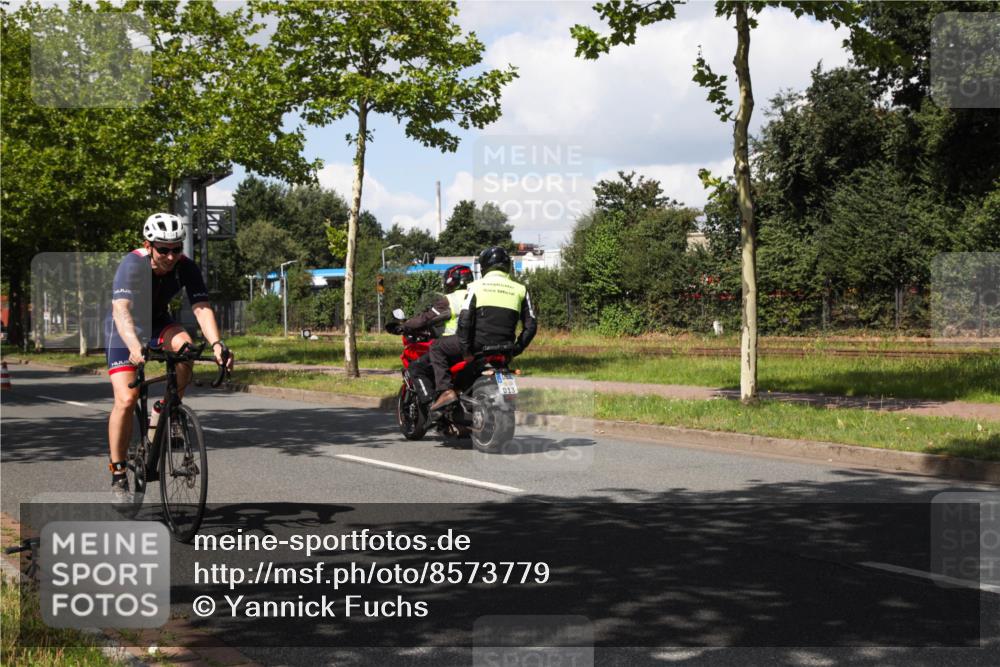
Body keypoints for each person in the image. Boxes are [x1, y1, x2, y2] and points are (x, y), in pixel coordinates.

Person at [105, 212, 234, 502]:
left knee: (187, 347)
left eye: (177, 249)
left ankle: (167, 407)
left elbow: (201, 307)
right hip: (123, 328)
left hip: (158, 321)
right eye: (163, 249)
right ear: (148, 245)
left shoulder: (186, 266)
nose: (170, 256)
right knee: (126, 399)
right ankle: (118, 472)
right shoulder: (132, 264)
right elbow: (121, 309)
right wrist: (135, 346)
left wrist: (216, 344)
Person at [428, 246, 537, 411]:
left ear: (484, 267)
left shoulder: (475, 286)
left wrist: (465, 351)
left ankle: (445, 391)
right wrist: (516, 348)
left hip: (477, 345)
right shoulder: (521, 289)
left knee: (436, 347)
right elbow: (531, 325)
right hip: (505, 347)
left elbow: (464, 321)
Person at [387, 264, 473, 402]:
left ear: (451, 282)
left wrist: (405, 325)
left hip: (452, 348)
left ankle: (433, 403)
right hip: (474, 346)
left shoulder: (449, 300)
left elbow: (426, 318)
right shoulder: (476, 296)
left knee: (416, 368)